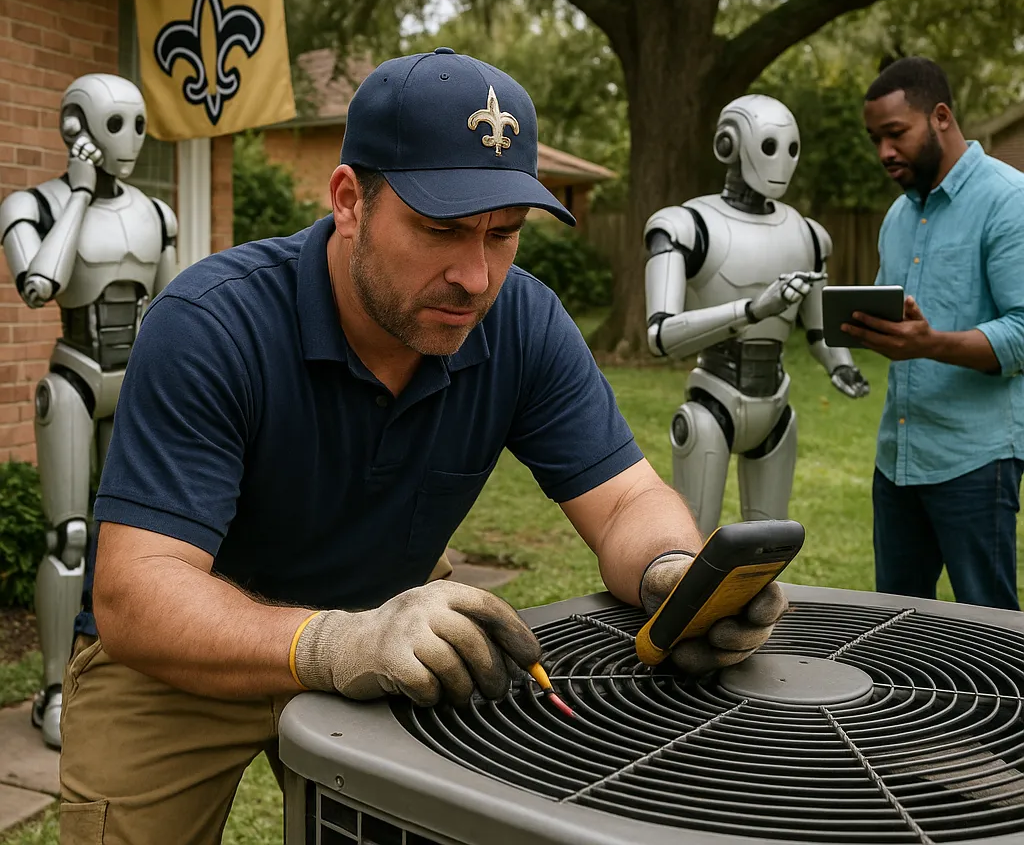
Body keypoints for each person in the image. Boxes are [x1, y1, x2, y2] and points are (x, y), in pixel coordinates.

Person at [58, 48, 787, 844]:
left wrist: (673, 575)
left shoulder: (522, 322)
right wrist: (333, 642)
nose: (475, 277)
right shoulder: (212, 324)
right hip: (184, 662)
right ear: (349, 201)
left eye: (503, 234)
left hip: (395, 639)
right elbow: (138, 594)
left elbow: (625, 500)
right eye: (441, 229)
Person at [0, 74, 177, 749]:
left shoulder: (157, 214)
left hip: (135, 382)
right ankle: (54, 686)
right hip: (73, 376)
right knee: (68, 537)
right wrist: (76, 189)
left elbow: (171, 308)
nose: (130, 140)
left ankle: (123, 674)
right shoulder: (33, 205)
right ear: (76, 128)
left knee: (134, 533)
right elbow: (38, 283)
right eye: (114, 125)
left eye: (138, 124)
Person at [643, 93, 869, 538]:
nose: (781, 161)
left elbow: (817, 328)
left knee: (768, 550)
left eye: (791, 149)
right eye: (769, 146)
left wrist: (841, 365)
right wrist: (752, 310)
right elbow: (661, 335)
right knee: (692, 550)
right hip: (713, 399)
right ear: (729, 144)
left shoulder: (808, 234)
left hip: (776, 405)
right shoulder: (687, 225)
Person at [848, 55, 1024, 610]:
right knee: (896, 626)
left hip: (976, 461)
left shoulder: (1008, 200)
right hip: (896, 460)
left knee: (989, 628)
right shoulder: (898, 217)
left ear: (941, 117)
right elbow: (897, 315)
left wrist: (929, 345)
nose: (883, 153)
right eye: (875, 138)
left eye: (895, 134)